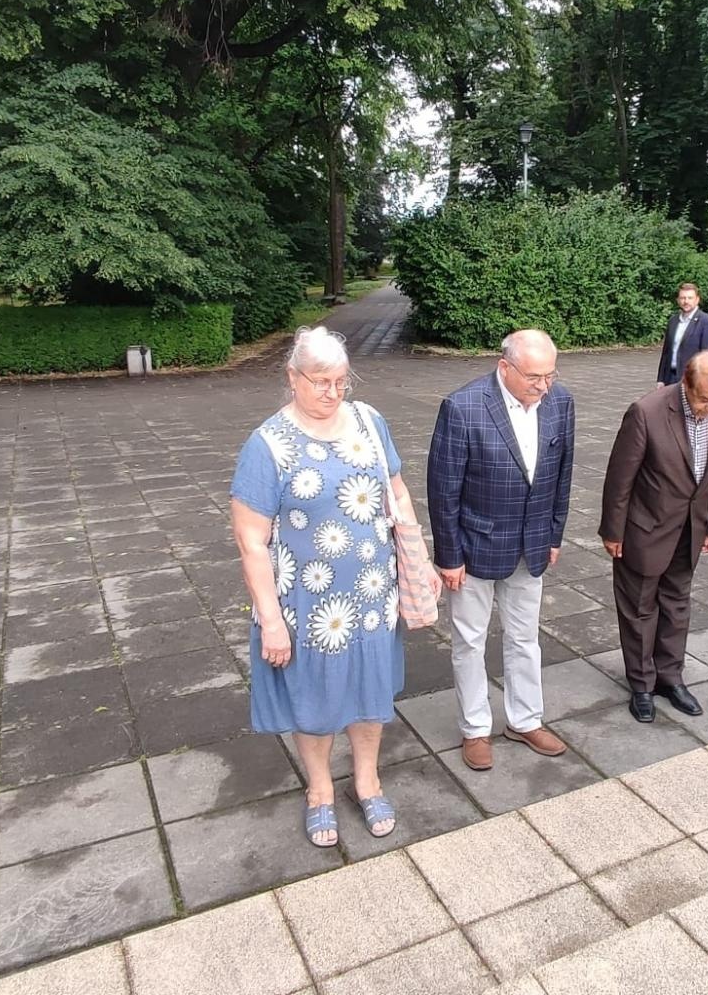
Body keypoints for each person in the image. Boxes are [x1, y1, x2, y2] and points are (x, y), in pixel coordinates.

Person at [230, 326, 438, 848]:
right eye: (320, 381)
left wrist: (419, 557)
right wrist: (271, 618)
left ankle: (366, 779)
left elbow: (398, 493)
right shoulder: (267, 445)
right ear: (292, 377)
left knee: (370, 698)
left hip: (372, 597)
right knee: (315, 700)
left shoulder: (369, 422)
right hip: (309, 606)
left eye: (340, 381)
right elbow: (251, 542)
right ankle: (320, 789)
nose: (331, 392)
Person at [427, 329, 576, 771]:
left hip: (531, 546)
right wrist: (449, 555)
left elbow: (563, 473)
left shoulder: (560, 401)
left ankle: (525, 720)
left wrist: (553, 535)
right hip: (474, 548)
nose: (543, 386)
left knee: (525, 638)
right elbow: (443, 489)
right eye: (534, 377)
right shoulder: (463, 407)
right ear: (504, 367)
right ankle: (475, 728)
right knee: (470, 642)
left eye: (550, 375)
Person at [600, 353, 708, 723]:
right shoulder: (646, 412)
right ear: (686, 385)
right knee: (640, 607)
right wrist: (613, 531)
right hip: (644, 527)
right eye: (703, 400)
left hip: (692, 527)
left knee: (678, 604)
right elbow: (620, 479)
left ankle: (670, 677)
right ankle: (642, 684)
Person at [656, 282, 708, 388]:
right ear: (678, 300)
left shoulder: (705, 321)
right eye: (683, 298)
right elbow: (666, 352)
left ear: (697, 299)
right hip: (670, 378)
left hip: (692, 379)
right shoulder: (673, 321)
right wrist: (661, 379)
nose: (686, 301)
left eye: (690, 298)